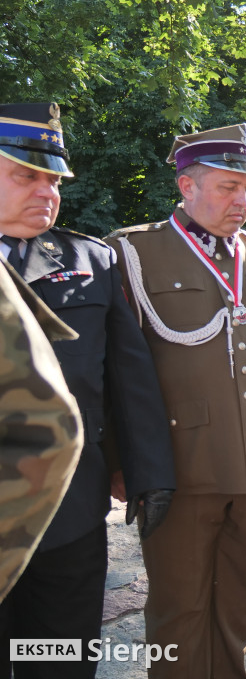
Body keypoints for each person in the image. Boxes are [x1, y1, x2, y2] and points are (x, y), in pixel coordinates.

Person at [106, 123, 246, 679]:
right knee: (178, 604)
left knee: (240, 594)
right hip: (179, 463)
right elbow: (118, 370)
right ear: (187, 186)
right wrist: (122, 461)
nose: (241, 201)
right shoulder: (133, 252)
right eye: (227, 187)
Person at [0, 102, 176, 679]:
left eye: (53, 179)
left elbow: (128, 380)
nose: (46, 191)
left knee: (61, 659)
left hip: (68, 511)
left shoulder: (90, 260)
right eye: (26, 175)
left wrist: (147, 473)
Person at [0, 258, 83, 602]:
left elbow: (128, 367)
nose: (49, 198)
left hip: (80, 505)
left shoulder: (88, 256)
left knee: (61, 649)